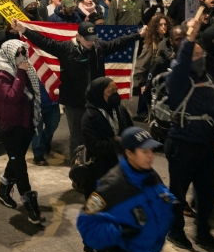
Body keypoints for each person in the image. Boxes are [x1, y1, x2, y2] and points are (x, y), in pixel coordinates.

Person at [16, 18, 141, 159]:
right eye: (87, 39)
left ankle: (95, 161)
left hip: (95, 101)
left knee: (98, 133)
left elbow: (118, 43)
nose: (90, 42)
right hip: (74, 102)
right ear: (78, 36)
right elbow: (44, 42)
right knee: (77, 136)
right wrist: (24, 30)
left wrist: (138, 35)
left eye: (93, 39)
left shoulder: (99, 48)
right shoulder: (65, 48)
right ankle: (78, 165)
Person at [164, 9, 214, 249]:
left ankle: (203, 231)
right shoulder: (177, 79)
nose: (201, 56)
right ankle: (175, 230)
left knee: (207, 192)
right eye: (196, 54)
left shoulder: (207, 79)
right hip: (182, 143)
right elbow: (182, 60)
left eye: (201, 53)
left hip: (206, 145)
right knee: (177, 192)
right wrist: (190, 37)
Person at [0, 39, 44, 225]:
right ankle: (30, 206)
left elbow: (34, 91)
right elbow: (12, 96)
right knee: (19, 164)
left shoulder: (27, 69)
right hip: (10, 126)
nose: (21, 56)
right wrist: (20, 71)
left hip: (26, 123)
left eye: (23, 52)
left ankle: (3, 191)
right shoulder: (1, 74)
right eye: (18, 53)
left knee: (15, 158)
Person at [80, 76, 134, 192]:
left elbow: (130, 130)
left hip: (122, 168)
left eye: (116, 90)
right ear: (99, 94)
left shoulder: (120, 109)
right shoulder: (89, 117)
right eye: (110, 92)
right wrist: (119, 143)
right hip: (100, 170)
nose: (115, 94)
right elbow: (95, 146)